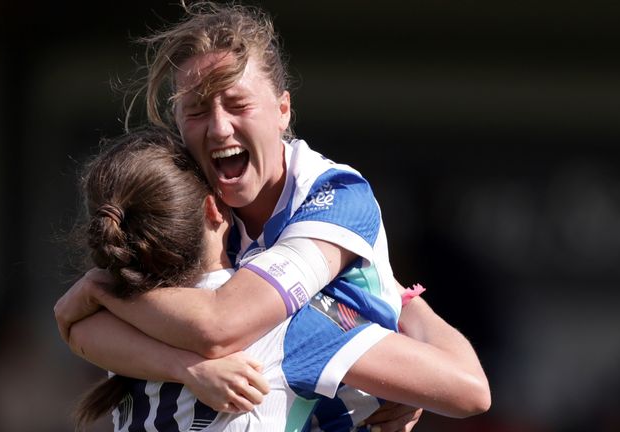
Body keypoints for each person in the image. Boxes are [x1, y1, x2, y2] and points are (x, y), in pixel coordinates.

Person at [55, 2, 490, 430]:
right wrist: (189, 368)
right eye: (197, 110)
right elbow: (92, 326)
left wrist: (400, 304)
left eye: (237, 104)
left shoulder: (333, 198)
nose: (219, 127)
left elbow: (213, 326)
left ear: (283, 110)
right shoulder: (193, 204)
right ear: (178, 122)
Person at [67, 127, 489, 432]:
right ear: (214, 209)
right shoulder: (295, 324)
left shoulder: (123, 318)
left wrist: (99, 290)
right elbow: (470, 390)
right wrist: (400, 297)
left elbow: (71, 324)